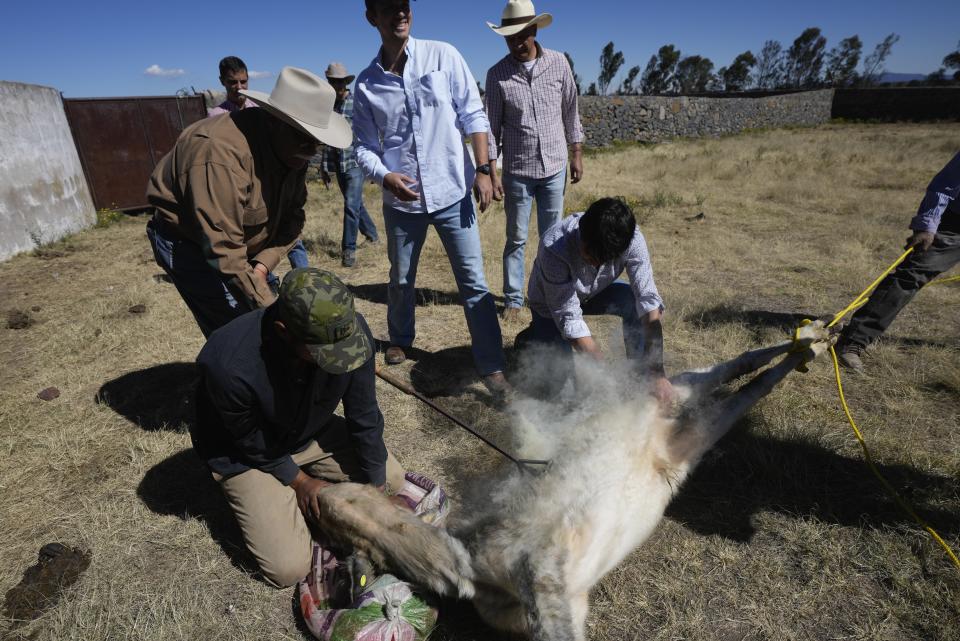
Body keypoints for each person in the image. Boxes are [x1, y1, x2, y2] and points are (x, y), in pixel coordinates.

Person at [192, 268, 407, 587]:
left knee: (390, 478)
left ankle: (307, 497)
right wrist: (300, 482)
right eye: (324, 353)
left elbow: (364, 415)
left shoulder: (352, 335)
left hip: (308, 431)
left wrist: (375, 489)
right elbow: (248, 439)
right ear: (283, 331)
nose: (339, 358)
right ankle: (285, 498)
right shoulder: (229, 363)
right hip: (246, 452)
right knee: (288, 568)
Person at [352, 0, 509, 394]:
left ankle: (491, 364)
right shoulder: (367, 84)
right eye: (390, 8)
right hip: (403, 201)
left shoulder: (443, 55)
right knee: (401, 277)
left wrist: (485, 169)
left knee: (473, 282)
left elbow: (474, 114)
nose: (400, 14)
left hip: (453, 191)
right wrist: (385, 176)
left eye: (404, 5)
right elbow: (363, 147)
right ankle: (401, 339)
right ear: (373, 17)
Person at [147, 67, 351, 338]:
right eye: (305, 139)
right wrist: (273, 313)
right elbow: (224, 250)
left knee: (264, 325)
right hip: (192, 244)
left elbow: (293, 219)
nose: (312, 151)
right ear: (274, 121)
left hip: (242, 249)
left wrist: (264, 264)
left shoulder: (295, 148)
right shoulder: (219, 155)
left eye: (317, 143)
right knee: (236, 331)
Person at [484, 0, 585, 323]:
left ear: (533, 30)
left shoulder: (558, 63)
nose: (515, 42)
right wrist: (491, 170)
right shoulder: (497, 75)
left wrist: (577, 153)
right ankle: (513, 298)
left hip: (554, 165)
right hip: (517, 171)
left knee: (553, 237)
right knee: (516, 237)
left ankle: (549, 293)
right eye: (509, 37)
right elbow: (491, 127)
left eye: (520, 35)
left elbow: (570, 110)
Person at [518, 197, 674, 404]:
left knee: (631, 300)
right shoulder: (554, 248)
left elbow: (648, 300)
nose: (596, 262)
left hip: (594, 293)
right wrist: (607, 375)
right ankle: (530, 339)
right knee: (564, 389)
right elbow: (569, 318)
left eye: (604, 259)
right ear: (581, 232)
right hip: (550, 304)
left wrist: (657, 371)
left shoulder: (632, 239)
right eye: (590, 255)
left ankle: (639, 375)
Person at [837, 151, 960, 370]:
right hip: (955, 225)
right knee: (911, 275)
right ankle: (852, 342)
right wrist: (927, 225)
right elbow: (945, 185)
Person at [208, 56, 309, 270]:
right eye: (232, 82)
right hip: (244, 186)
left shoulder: (263, 112)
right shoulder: (216, 118)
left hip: (271, 182)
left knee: (289, 231)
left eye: (243, 82)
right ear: (222, 82)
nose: (239, 87)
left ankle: (303, 273)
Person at [319, 62, 380, 268]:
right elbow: (327, 138)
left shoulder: (356, 104)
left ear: (346, 83)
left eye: (339, 82)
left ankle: (349, 250)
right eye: (332, 82)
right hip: (338, 162)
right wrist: (324, 167)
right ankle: (372, 235)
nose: (336, 85)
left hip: (354, 162)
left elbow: (369, 135)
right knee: (355, 205)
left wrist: (373, 165)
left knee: (350, 206)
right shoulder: (328, 107)